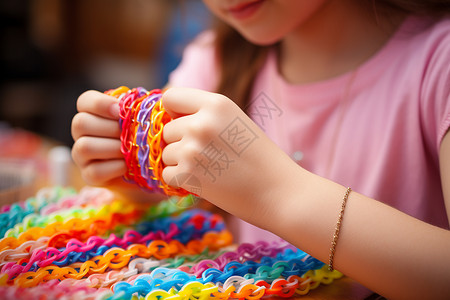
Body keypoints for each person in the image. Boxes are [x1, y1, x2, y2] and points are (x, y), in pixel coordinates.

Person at [71, 0, 450, 298]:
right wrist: (132, 173)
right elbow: (174, 191)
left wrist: (279, 193)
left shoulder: (438, 62)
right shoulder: (214, 61)